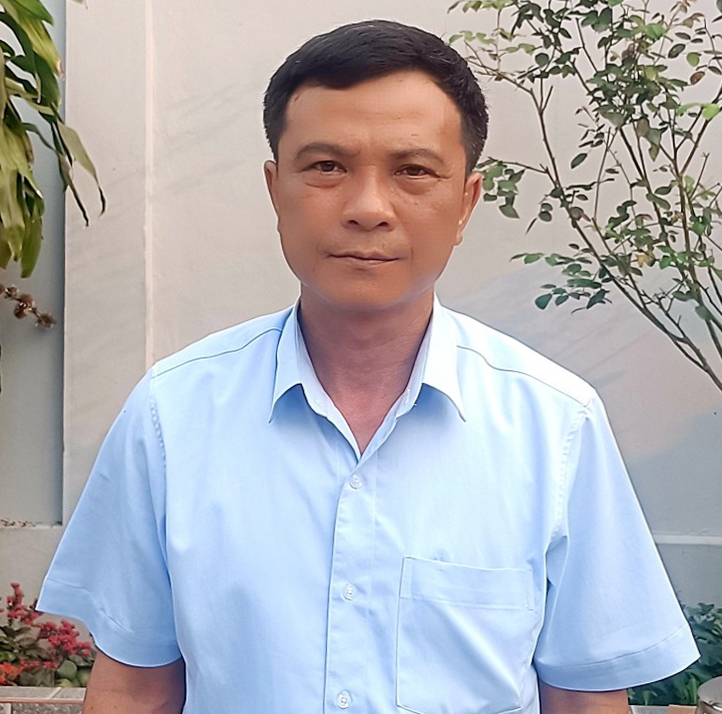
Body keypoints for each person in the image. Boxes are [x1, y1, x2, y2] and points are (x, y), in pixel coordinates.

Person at [38, 19, 698, 714]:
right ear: (275, 189)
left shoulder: (556, 424)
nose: (368, 209)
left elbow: (585, 698)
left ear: (466, 201)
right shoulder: (172, 414)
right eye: (327, 167)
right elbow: (135, 689)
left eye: (413, 171)